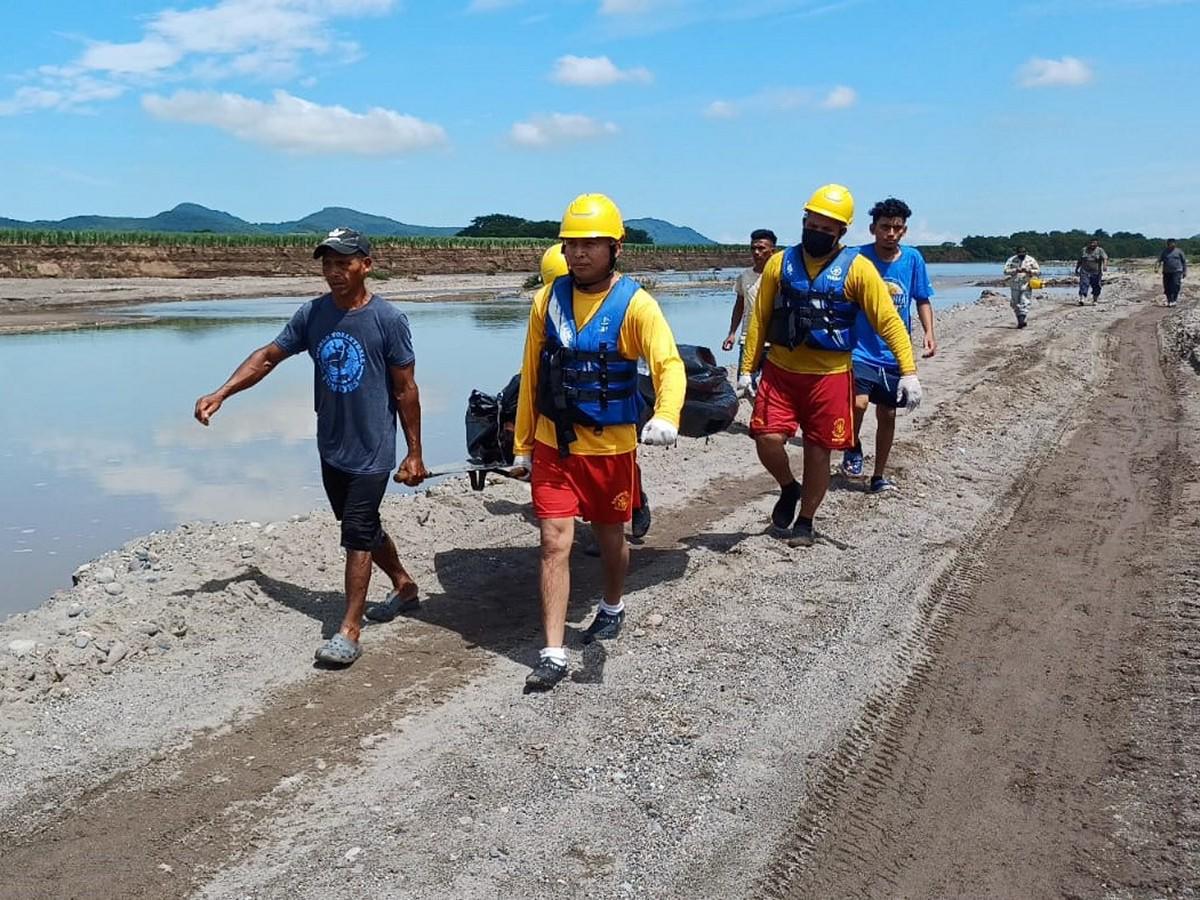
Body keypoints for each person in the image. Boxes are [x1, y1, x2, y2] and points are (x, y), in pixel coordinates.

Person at [194, 228, 429, 667]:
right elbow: (268, 356)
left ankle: (350, 630)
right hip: (332, 444)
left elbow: (406, 389)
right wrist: (222, 392)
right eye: (327, 264)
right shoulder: (313, 315)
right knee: (360, 524)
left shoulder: (388, 320)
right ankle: (404, 585)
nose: (334, 273)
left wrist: (414, 452)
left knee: (356, 530)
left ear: (366, 265)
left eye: (344, 263)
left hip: (373, 446)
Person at [513, 194, 685, 691]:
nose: (580, 253)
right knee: (553, 542)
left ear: (615, 247)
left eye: (590, 244)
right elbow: (531, 376)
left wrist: (667, 414)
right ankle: (552, 652)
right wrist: (522, 444)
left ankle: (612, 603)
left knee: (612, 538)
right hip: (554, 447)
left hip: (610, 451)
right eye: (571, 244)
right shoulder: (546, 301)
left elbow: (668, 366)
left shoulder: (637, 304)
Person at [739, 184, 921, 548]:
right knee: (766, 438)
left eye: (827, 229)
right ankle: (789, 488)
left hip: (831, 375)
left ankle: (805, 521)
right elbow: (759, 318)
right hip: (781, 370)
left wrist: (910, 371)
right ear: (804, 220)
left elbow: (888, 321)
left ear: (842, 231)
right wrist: (746, 369)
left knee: (819, 450)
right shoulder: (779, 263)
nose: (818, 233)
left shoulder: (858, 270)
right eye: (813, 225)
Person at [542, 241, 653, 541]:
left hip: (624, 397)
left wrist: (666, 414)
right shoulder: (551, 303)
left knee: (626, 461)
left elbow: (661, 361)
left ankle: (635, 504)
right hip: (572, 408)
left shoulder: (629, 305)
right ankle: (596, 521)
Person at [839, 198, 936, 493]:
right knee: (858, 403)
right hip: (860, 349)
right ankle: (852, 446)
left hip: (895, 351)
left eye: (896, 228)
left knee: (888, 414)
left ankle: (878, 475)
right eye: (885, 227)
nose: (890, 233)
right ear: (873, 229)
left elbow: (921, 298)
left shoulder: (913, 259)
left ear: (904, 231)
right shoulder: (856, 258)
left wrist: (930, 332)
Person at [722, 229, 778, 396]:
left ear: (772, 251)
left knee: (772, 387)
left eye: (762, 248)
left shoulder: (779, 276)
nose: (757, 252)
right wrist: (732, 333)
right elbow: (739, 306)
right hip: (748, 339)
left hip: (773, 341)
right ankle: (757, 417)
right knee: (745, 384)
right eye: (753, 248)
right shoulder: (744, 276)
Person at [1002, 245, 1040, 328]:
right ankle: (1020, 320)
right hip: (1014, 284)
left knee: (1025, 302)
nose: (1022, 254)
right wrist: (1015, 270)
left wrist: (1029, 271)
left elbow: (1038, 271)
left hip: (1026, 284)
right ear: (1017, 253)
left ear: (1026, 252)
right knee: (1015, 303)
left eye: (1023, 252)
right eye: (1020, 252)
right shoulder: (1011, 260)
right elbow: (1005, 271)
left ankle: (1021, 321)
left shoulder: (1031, 260)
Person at [1155, 238, 1187, 307]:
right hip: (1166, 272)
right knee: (1167, 287)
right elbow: (1159, 260)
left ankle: (1174, 300)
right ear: (1167, 244)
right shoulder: (1164, 252)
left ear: (1175, 243)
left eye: (1173, 243)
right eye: (1170, 243)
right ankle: (1169, 300)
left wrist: (1185, 271)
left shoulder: (1179, 251)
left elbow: (1184, 262)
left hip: (1177, 271)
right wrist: (1157, 268)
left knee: (1176, 285)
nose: (1172, 244)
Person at [1075, 238, 1108, 305]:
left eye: (1094, 243)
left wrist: (1105, 265)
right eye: (1091, 243)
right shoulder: (1084, 250)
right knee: (1084, 284)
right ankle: (1082, 299)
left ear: (1097, 244)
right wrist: (1076, 268)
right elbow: (1080, 260)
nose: (1092, 245)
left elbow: (1105, 258)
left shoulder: (1100, 250)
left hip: (1096, 271)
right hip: (1085, 270)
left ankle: (1095, 300)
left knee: (1096, 285)